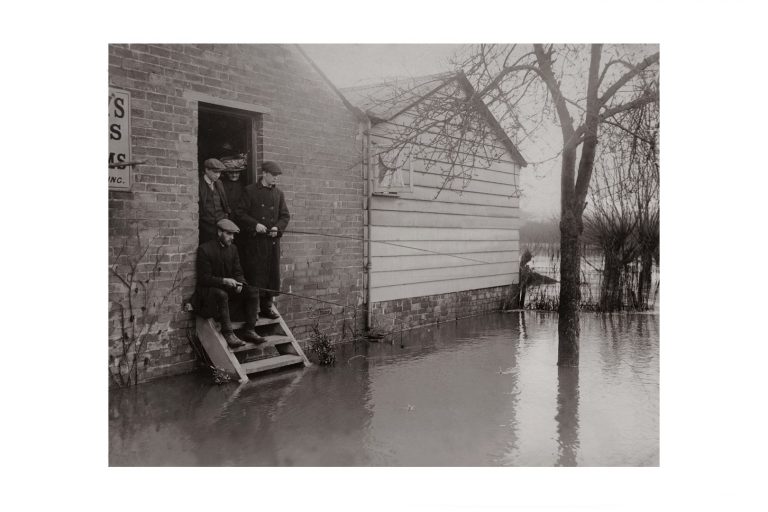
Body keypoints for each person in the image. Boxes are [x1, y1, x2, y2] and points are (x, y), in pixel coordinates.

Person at [195, 219, 267, 347]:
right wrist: (224, 281)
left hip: (227, 289)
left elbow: (238, 272)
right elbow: (204, 279)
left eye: (233, 235)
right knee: (222, 294)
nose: (232, 238)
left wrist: (240, 283)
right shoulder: (205, 249)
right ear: (219, 232)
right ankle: (228, 334)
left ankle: (250, 330)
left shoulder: (233, 249)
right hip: (209, 292)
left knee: (252, 291)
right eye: (229, 234)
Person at [236, 161, 290, 319]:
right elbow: (239, 213)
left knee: (271, 276)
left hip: (272, 243)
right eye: (273, 175)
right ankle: (252, 312)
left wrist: (277, 228)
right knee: (255, 275)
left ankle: (267, 307)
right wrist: (254, 225)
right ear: (264, 173)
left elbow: (285, 216)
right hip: (255, 244)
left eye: (277, 176)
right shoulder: (250, 191)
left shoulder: (278, 194)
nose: (275, 179)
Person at [198, 158, 231, 244]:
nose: (218, 175)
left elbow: (224, 202)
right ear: (206, 170)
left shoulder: (219, 183)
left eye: (219, 172)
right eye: (215, 172)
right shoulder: (199, 183)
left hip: (220, 225)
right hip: (205, 226)